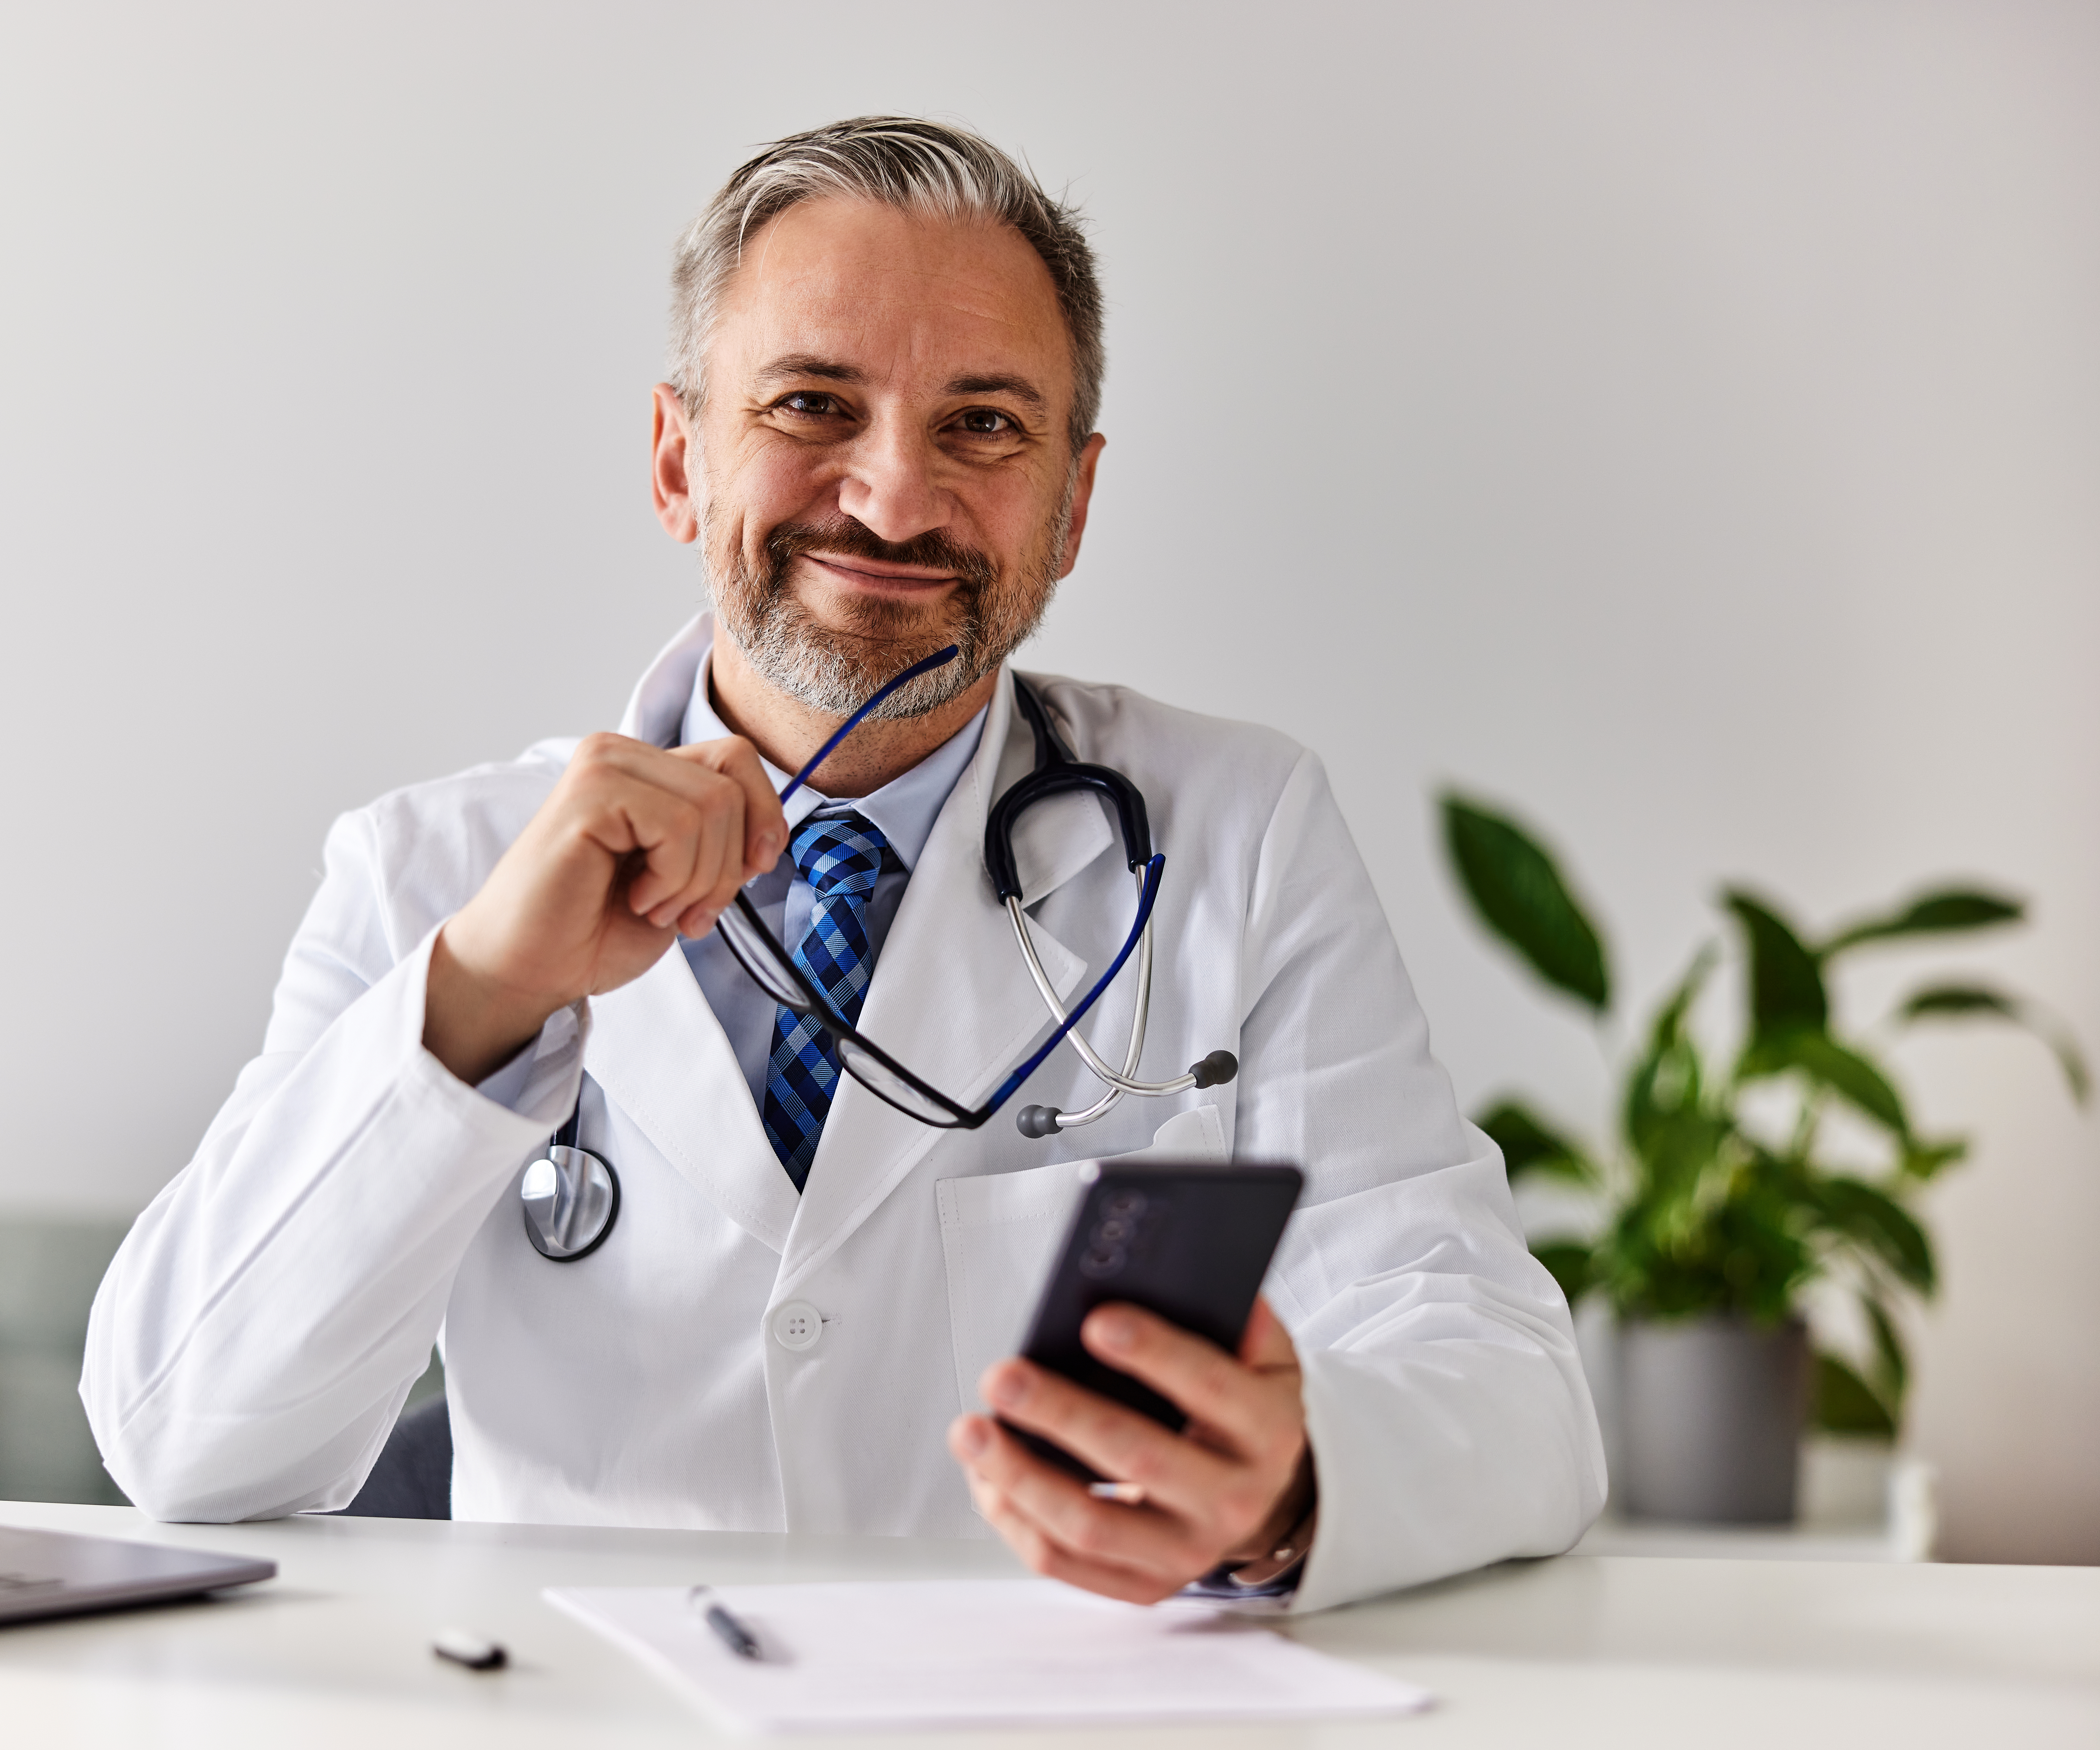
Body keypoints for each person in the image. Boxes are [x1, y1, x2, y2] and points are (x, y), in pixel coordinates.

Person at [82, 117, 1604, 1610]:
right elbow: (184, 1440)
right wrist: (482, 998)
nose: (890, 495)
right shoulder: (433, 872)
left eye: (983, 425)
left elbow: (1507, 1383)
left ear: (1070, 506)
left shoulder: (1235, 830)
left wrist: (1290, 1483)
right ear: (679, 461)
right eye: (811, 404)